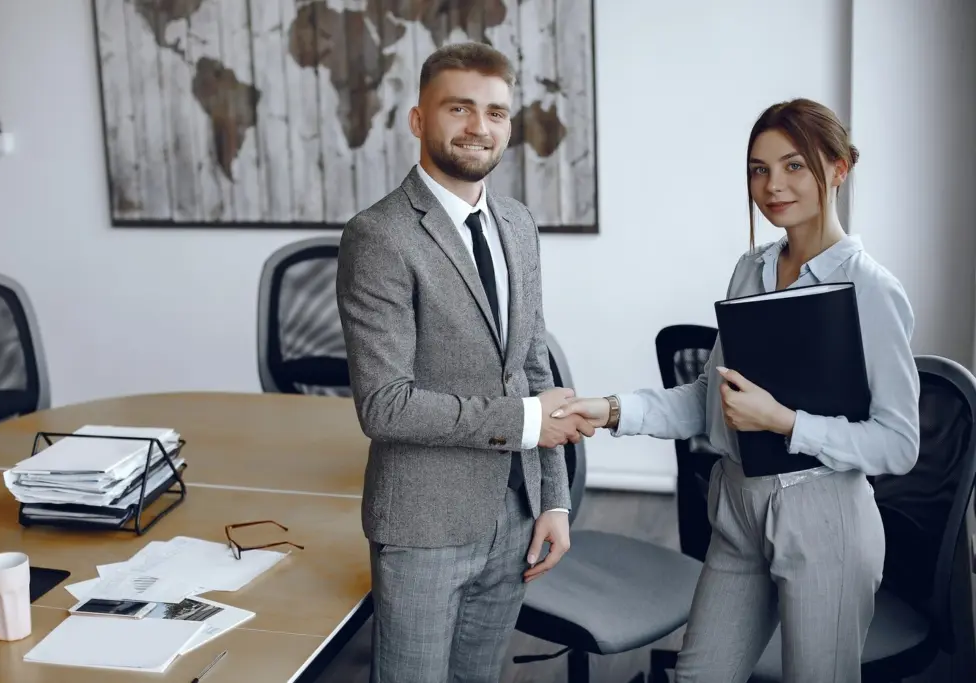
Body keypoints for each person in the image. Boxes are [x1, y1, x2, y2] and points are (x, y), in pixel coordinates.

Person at [553, 98, 920, 683]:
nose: (772, 185)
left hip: (823, 517)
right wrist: (612, 409)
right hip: (738, 505)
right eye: (758, 168)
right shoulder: (751, 270)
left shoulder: (870, 289)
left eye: (794, 165)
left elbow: (899, 444)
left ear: (838, 168)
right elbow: (710, 399)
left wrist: (785, 421)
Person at [335, 42, 593, 683]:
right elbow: (384, 404)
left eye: (497, 113)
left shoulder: (516, 222)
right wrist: (530, 422)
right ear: (419, 119)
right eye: (461, 108)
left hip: (514, 514)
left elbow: (534, 367)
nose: (481, 127)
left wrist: (554, 501)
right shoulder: (380, 236)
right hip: (425, 523)